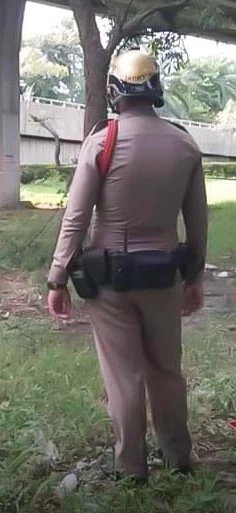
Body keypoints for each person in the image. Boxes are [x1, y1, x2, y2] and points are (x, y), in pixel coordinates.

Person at [46, 50, 208, 483]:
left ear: (113, 91)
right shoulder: (185, 144)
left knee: (124, 377)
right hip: (165, 277)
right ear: (156, 90)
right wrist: (194, 277)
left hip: (111, 283)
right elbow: (197, 222)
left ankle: (132, 468)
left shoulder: (103, 142)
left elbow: (76, 218)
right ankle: (179, 458)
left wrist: (57, 278)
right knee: (167, 370)